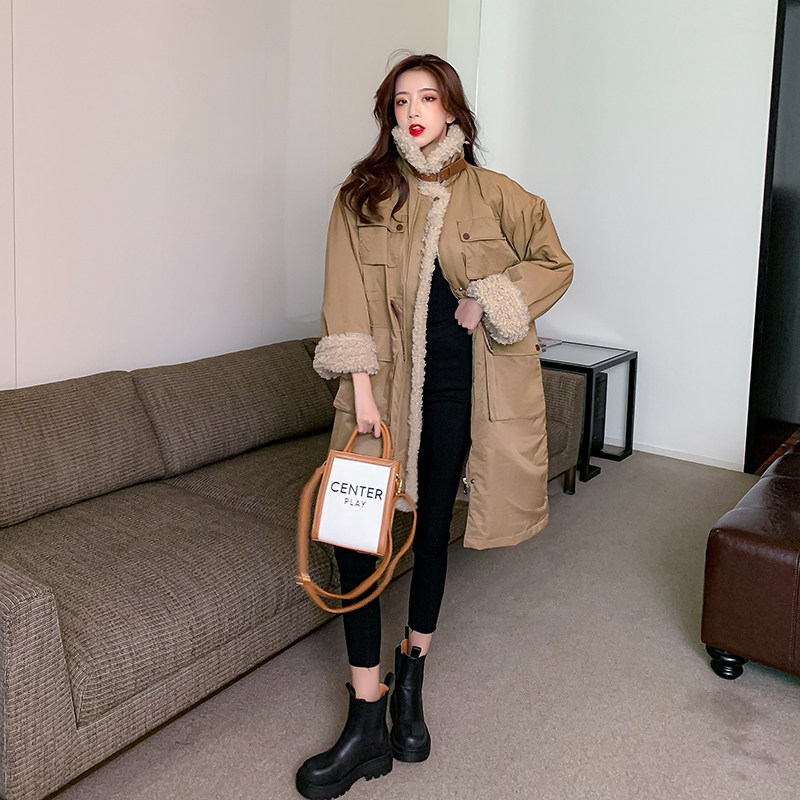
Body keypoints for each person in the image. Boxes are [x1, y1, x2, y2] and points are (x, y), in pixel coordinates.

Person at [296, 53, 573, 799]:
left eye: (427, 98)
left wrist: (494, 295)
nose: (413, 111)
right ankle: (366, 716)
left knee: (430, 530)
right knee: (354, 538)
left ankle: (412, 676)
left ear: (452, 109)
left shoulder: (496, 194)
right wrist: (361, 389)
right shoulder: (362, 195)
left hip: (457, 391)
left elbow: (554, 262)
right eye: (401, 101)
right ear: (389, 114)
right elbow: (344, 296)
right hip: (378, 395)